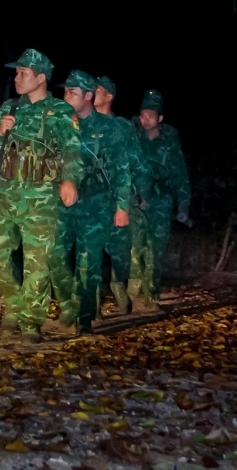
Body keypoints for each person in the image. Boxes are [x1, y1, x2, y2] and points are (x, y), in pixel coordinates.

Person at [0, 49, 83, 344]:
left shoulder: (60, 111)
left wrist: (70, 180)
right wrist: (0, 132)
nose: (17, 77)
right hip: (6, 193)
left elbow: (72, 150)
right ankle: (15, 303)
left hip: (42, 196)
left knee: (37, 262)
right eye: (16, 72)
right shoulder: (10, 107)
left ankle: (30, 323)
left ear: (41, 78)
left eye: (23, 73)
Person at [49, 70, 135, 333]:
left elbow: (122, 170)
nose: (66, 96)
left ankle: (84, 321)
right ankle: (69, 304)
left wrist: (122, 206)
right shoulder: (59, 123)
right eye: (65, 91)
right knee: (54, 255)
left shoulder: (109, 129)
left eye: (72, 92)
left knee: (88, 264)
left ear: (88, 96)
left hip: (97, 203)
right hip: (62, 202)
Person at [88, 75, 150, 315]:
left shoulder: (122, 127)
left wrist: (142, 194)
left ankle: (118, 285)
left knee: (121, 252)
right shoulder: (81, 122)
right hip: (92, 197)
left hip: (120, 197)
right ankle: (91, 310)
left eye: (98, 90)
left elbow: (137, 162)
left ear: (109, 96)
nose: (92, 92)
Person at [130, 89, 192, 304]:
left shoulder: (169, 140)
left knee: (156, 248)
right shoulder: (133, 135)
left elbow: (179, 173)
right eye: (143, 114)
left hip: (161, 200)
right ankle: (133, 291)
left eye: (151, 115)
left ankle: (151, 292)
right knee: (135, 246)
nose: (145, 119)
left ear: (160, 118)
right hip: (135, 199)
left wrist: (183, 206)